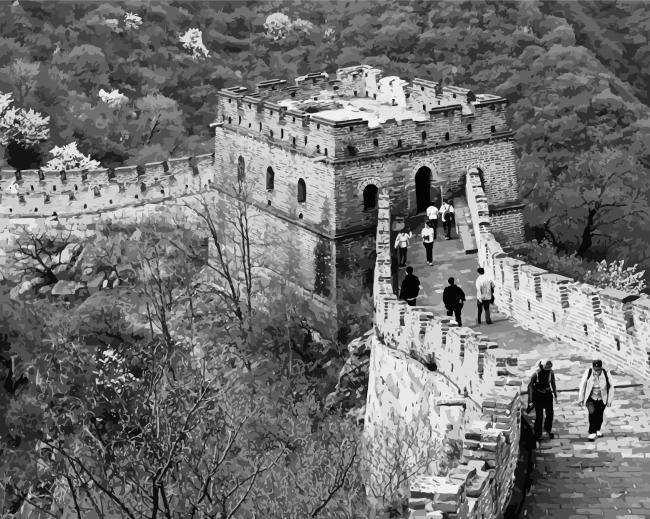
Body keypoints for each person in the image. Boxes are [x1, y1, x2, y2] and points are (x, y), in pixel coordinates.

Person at [577, 359, 615, 441]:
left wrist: (609, 400)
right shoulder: (589, 372)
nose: (597, 372)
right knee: (592, 413)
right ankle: (592, 432)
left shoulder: (605, 372)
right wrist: (581, 398)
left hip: (602, 398)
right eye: (595, 369)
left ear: (601, 368)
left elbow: (611, 386)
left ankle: (598, 429)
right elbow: (582, 385)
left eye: (598, 370)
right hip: (590, 398)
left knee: (599, 414)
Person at [527, 359, 558, 440]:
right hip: (538, 396)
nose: (548, 369)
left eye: (549, 368)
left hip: (548, 395)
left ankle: (548, 430)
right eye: (547, 368)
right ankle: (538, 434)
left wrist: (555, 395)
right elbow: (530, 386)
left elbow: (553, 383)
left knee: (550, 414)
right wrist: (530, 400)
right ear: (542, 366)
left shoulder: (551, 372)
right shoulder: (536, 373)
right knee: (539, 416)